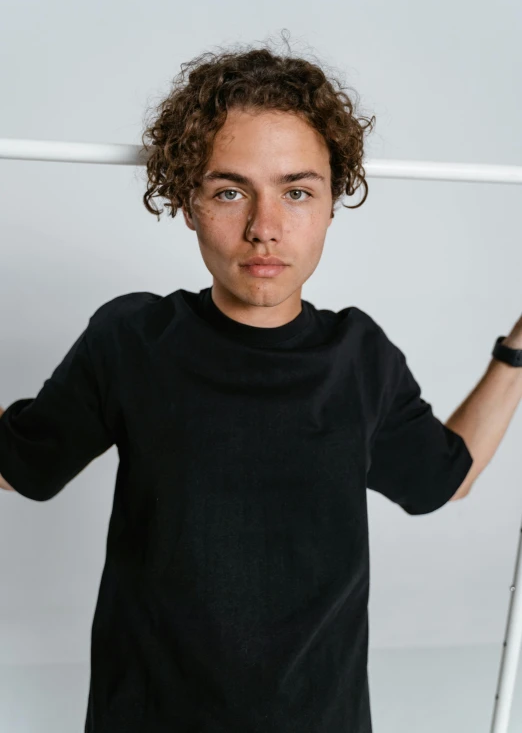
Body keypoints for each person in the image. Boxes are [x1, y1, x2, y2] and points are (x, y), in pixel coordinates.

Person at [0, 36, 479, 733]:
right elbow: (22, 464)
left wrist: (517, 351)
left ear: (331, 204)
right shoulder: (134, 339)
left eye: (296, 191)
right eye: (230, 191)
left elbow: (444, 477)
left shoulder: (359, 355)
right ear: (188, 201)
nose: (265, 228)